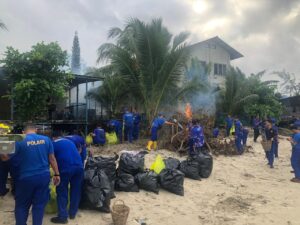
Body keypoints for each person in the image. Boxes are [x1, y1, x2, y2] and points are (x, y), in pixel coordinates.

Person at [0, 123, 60, 225]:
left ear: (23, 132)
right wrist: (57, 174)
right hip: (43, 177)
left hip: (25, 178)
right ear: (36, 130)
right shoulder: (46, 139)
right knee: (39, 205)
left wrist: (2, 144)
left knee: (22, 205)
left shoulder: (19, 140)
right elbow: (52, 159)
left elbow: (5, 158)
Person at [51, 131, 84, 224]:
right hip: (79, 168)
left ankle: (62, 217)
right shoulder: (70, 142)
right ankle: (72, 213)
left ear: (54, 138)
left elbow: (51, 159)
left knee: (62, 191)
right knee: (76, 191)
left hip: (65, 169)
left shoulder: (53, 144)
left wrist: (55, 174)